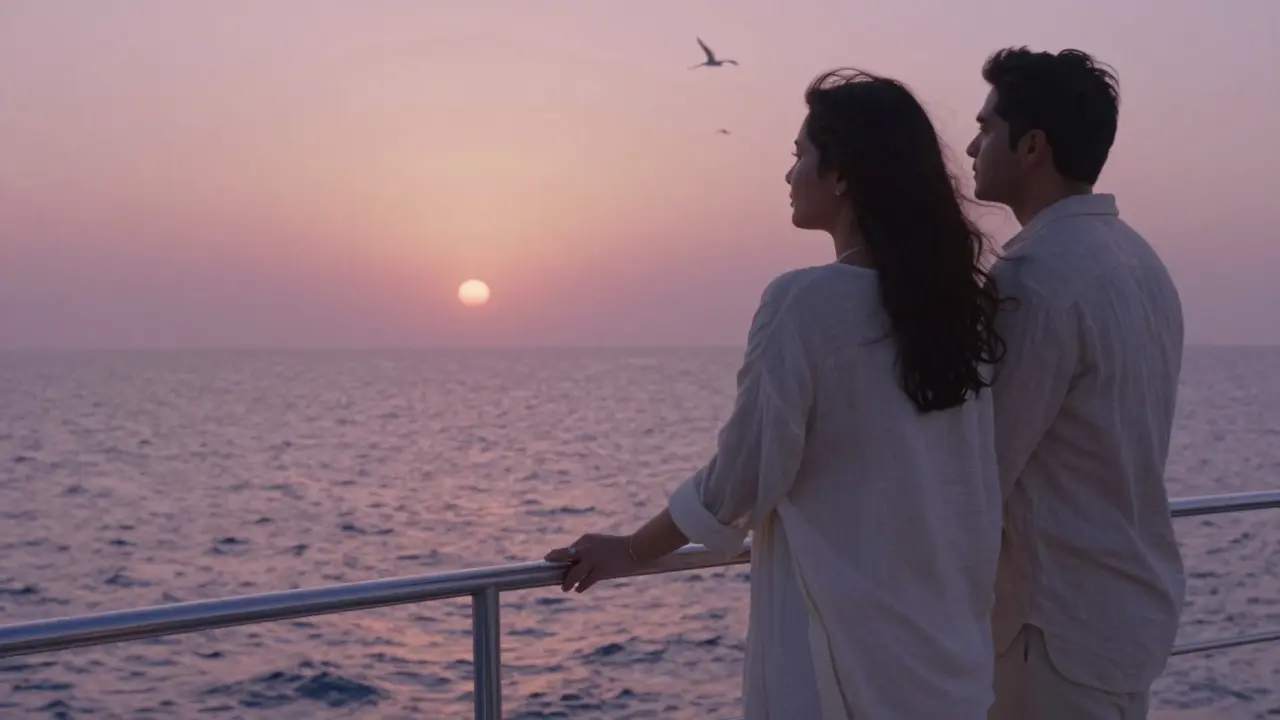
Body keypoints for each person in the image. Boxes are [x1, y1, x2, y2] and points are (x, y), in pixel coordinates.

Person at [545, 69, 1007, 719]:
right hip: (946, 651)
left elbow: (743, 474)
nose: (789, 175)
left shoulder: (806, 303)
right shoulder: (962, 309)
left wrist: (630, 549)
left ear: (842, 174)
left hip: (842, 654)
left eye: (800, 156)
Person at [965, 47, 1185, 719]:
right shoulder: (1140, 260)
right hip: (1123, 615)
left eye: (986, 127)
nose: (972, 145)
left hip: (1048, 630)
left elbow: (983, 468)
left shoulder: (1035, 279)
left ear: (1032, 146)